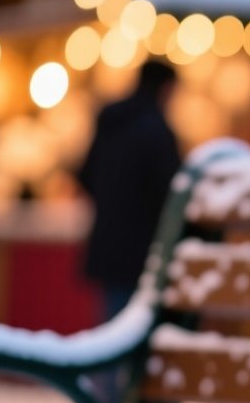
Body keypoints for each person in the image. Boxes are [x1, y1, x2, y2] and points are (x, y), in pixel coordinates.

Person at [76, 60, 182, 321]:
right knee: (133, 325)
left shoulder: (111, 121)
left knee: (111, 323)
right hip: (144, 250)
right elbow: (169, 194)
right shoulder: (157, 131)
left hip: (107, 242)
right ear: (166, 88)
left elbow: (86, 176)